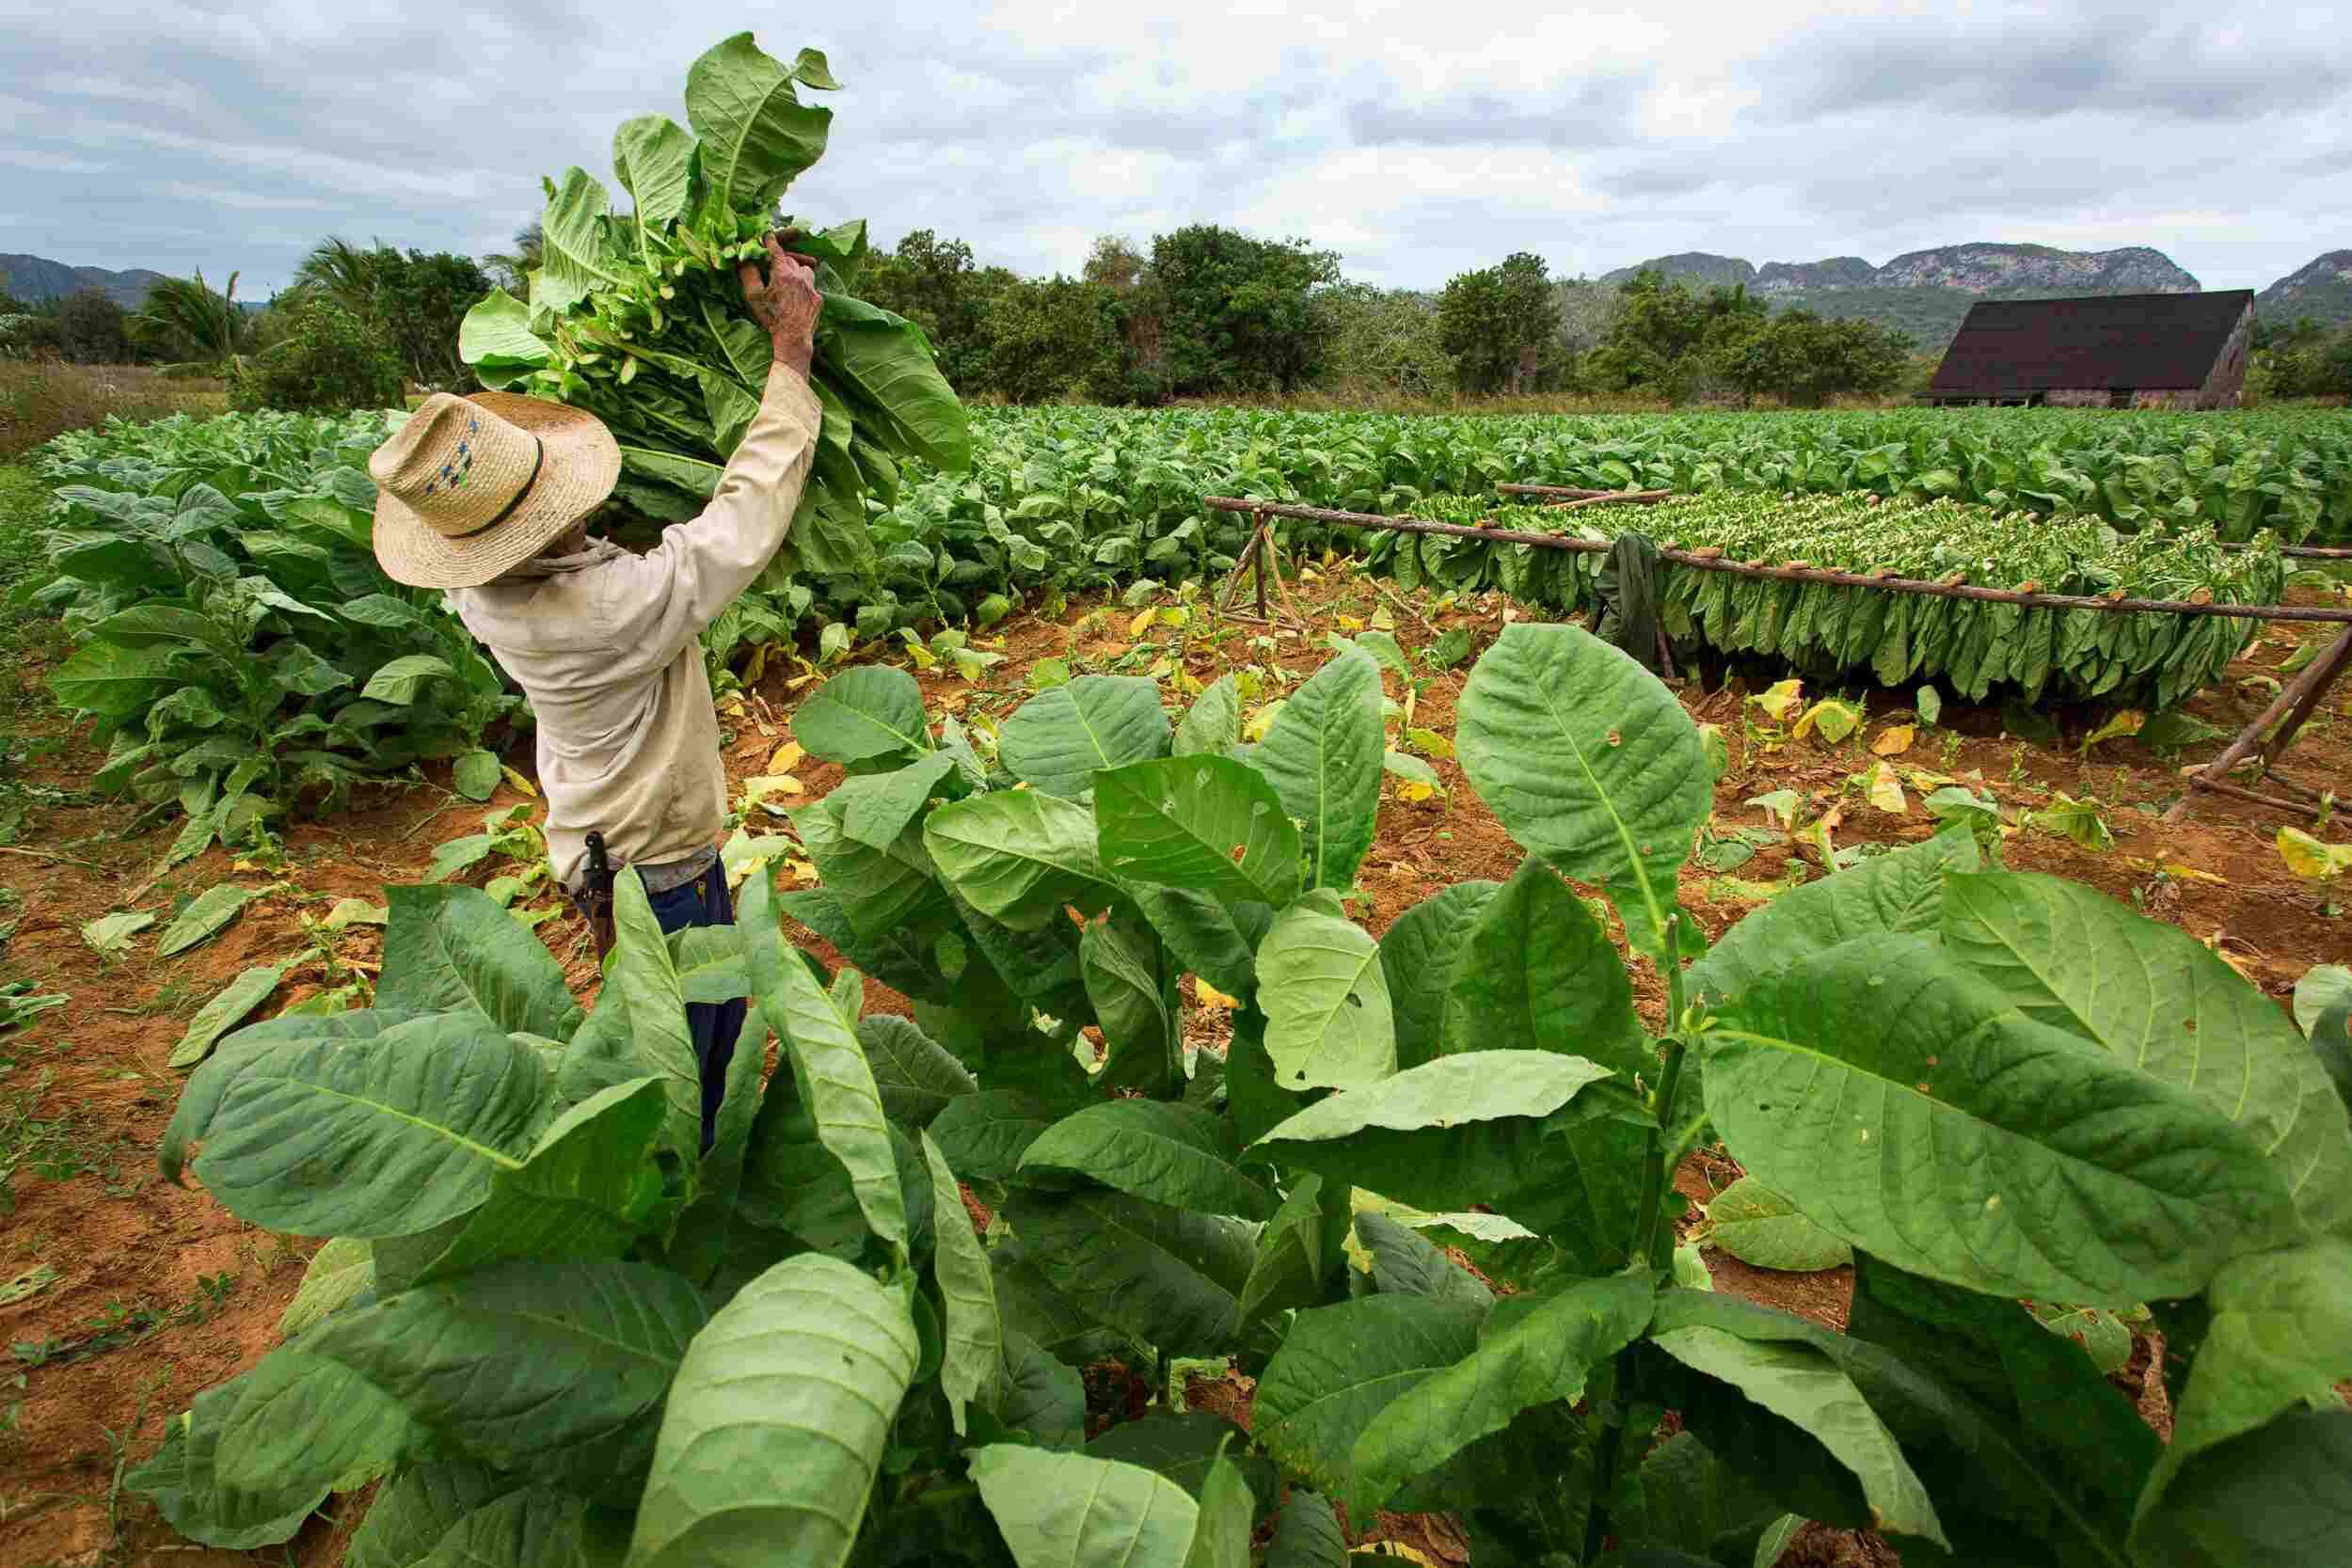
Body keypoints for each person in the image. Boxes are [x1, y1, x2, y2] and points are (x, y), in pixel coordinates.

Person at [365, 236, 824, 1150]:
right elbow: (740, 521)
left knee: (644, 1022)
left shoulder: (477, 586)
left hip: (592, 844)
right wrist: (787, 358)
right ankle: (680, 1206)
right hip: (656, 866)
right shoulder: (601, 608)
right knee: (697, 1056)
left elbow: (574, 537)